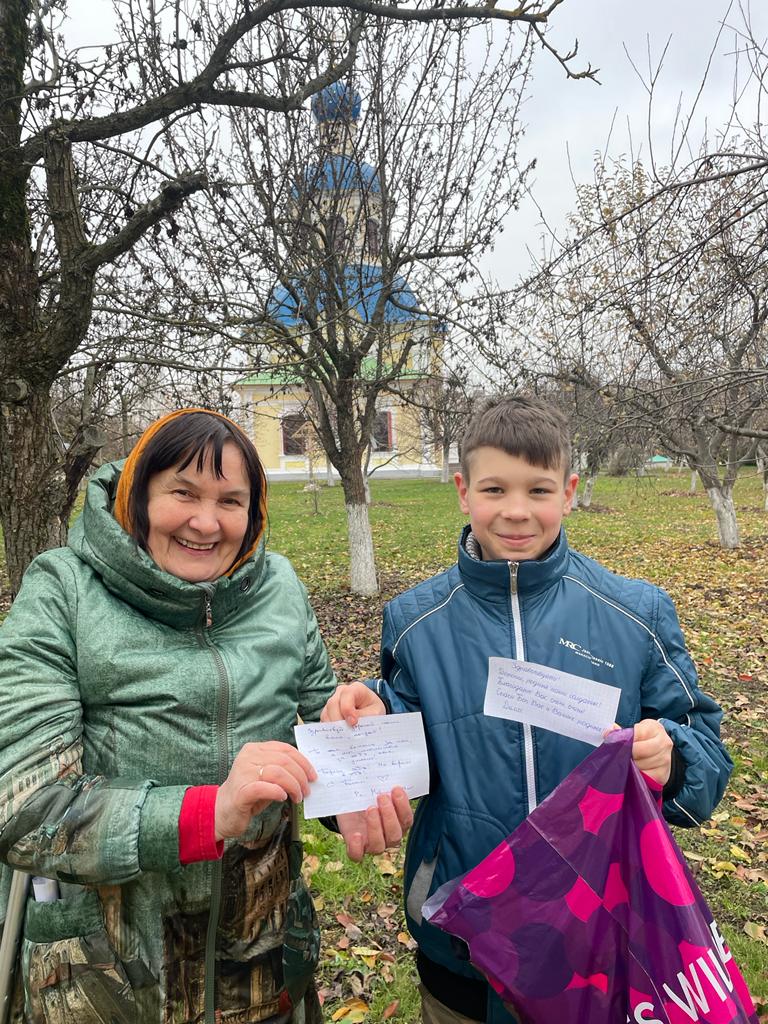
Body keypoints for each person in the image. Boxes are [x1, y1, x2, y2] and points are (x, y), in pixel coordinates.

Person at [321, 395, 734, 1024]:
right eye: (494, 489)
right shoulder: (416, 621)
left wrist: (673, 759)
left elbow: (706, 760)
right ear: (463, 492)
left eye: (538, 490)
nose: (516, 511)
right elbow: (404, 742)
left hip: (603, 945)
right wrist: (368, 718)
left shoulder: (636, 614)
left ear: (568, 492)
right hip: (464, 952)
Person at [0, 408, 407, 1024]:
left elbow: (315, 725)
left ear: (254, 512)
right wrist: (207, 814)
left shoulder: (279, 588)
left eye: (230, 501)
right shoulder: (64, 591)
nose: (206, 522)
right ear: (138, 496)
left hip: (262, 967)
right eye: (183, 493)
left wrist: (350, 753)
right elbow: (23, 807)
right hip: (113, 979)